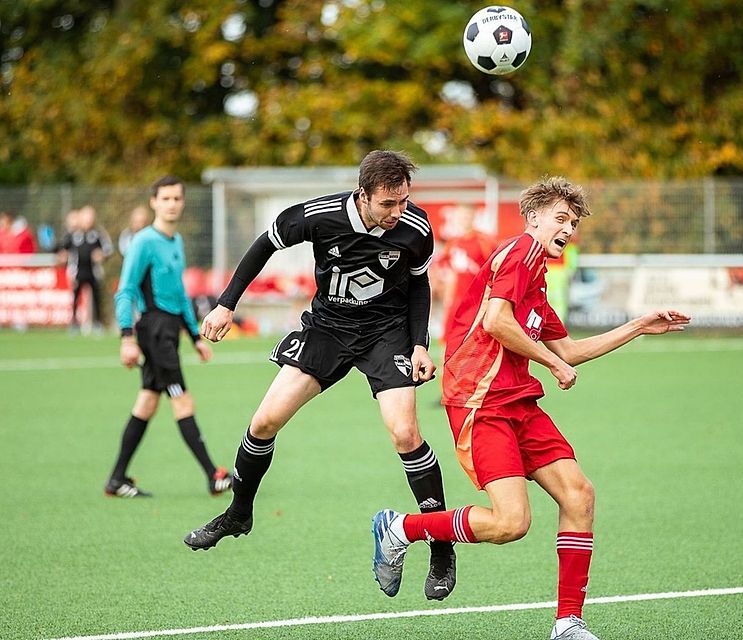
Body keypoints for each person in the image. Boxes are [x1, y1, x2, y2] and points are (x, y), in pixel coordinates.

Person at [370, 177, 690, 640]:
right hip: (481, 401)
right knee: (510, 522)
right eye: (560, 219)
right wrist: (551, 364)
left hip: (518, 399)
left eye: (573, 223)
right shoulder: (519, 253)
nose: (568, 229)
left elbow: (571, 350)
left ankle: (568, 623)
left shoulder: (537, 276)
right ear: (533, 218)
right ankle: (400, 528)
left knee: (579, 495)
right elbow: (497, 322)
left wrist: (638, 326)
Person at [183, 150, 458, 601]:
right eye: (388, 204)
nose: (398, 212)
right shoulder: (318, 215)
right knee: (264, 422)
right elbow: (263, 246)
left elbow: (419, 284)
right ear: (363, 193)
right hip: (328, 329)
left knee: (405, 432)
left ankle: (442, 545)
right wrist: (226, 303)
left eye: (404, 201)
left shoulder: (415, 227)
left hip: (385, 334)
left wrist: (420, 344)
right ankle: (238, 513)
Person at [106, 176, 232, 498]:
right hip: (154, 332)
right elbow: (126, 291)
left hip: (170, 330)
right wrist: (126, 337)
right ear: (154, 202)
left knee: (147, 401)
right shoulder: (143, 242)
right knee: (182, 399)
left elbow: (178, 294)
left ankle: (117, 479)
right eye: (166, 199)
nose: (172, 204)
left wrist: (195, 337)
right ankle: (213, 475)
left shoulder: (175, 241)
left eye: (177, 198)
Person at [435, 205, 496, 344]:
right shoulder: (453, 242)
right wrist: (447, 294)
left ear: (474, 217)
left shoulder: (485, 241)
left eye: (467, 216)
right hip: (456, 298)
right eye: (461, 216)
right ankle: (448, 365)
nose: (464, 220)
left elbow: (496, 267)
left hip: (478, 298)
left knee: (479, 337)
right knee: (450, 336)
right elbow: (446, 268)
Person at [58, 205, 113, 332]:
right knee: (76, 297)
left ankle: (98, 323)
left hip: (94, 272)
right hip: (77, 272)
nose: (88, 221)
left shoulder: (98, 233)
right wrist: (62, 255)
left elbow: (108, 248)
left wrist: (102, 255)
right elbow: (62, 248)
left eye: (91, 218)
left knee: (97, 297)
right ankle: (74, 323)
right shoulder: (73, 234)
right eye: (86, 217)